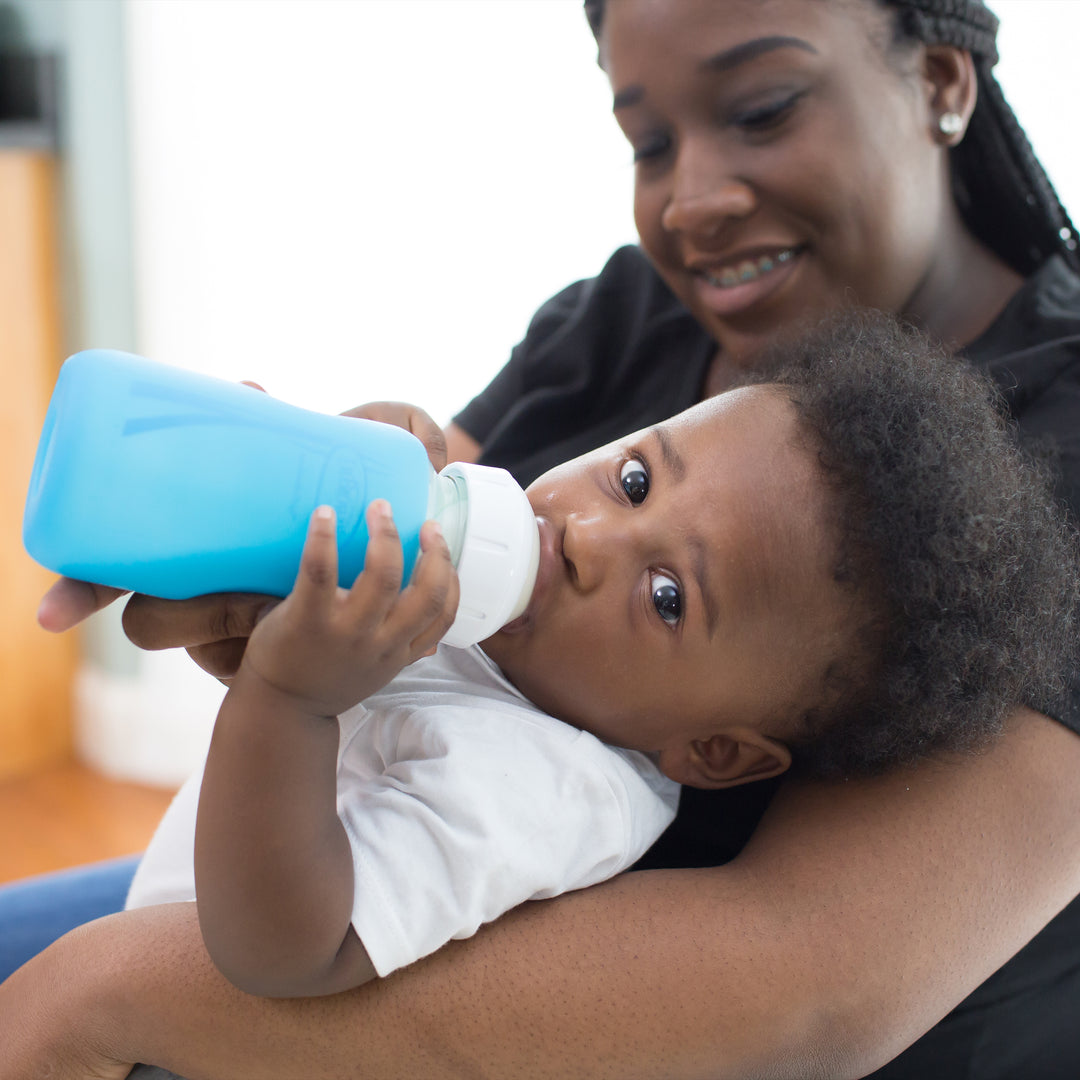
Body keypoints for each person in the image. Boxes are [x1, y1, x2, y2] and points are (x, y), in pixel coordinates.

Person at [3, 0, 1080, 1076]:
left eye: (764, 108)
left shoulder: (551, 788)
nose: (692, 197)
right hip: (214, 888)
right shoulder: (630, 316)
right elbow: (441, 520)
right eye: (648, 140)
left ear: (941, 80)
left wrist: (110, 981)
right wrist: (286, 523)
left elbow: (802, 992)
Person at [123, 313, 1079, 1001]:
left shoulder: (555, 788)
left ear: (713, 752)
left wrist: (289, 700)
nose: (585, 535)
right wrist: (333, 481)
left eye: (668, 597)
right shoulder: (480, 629)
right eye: (633, 479)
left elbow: (294, 952)